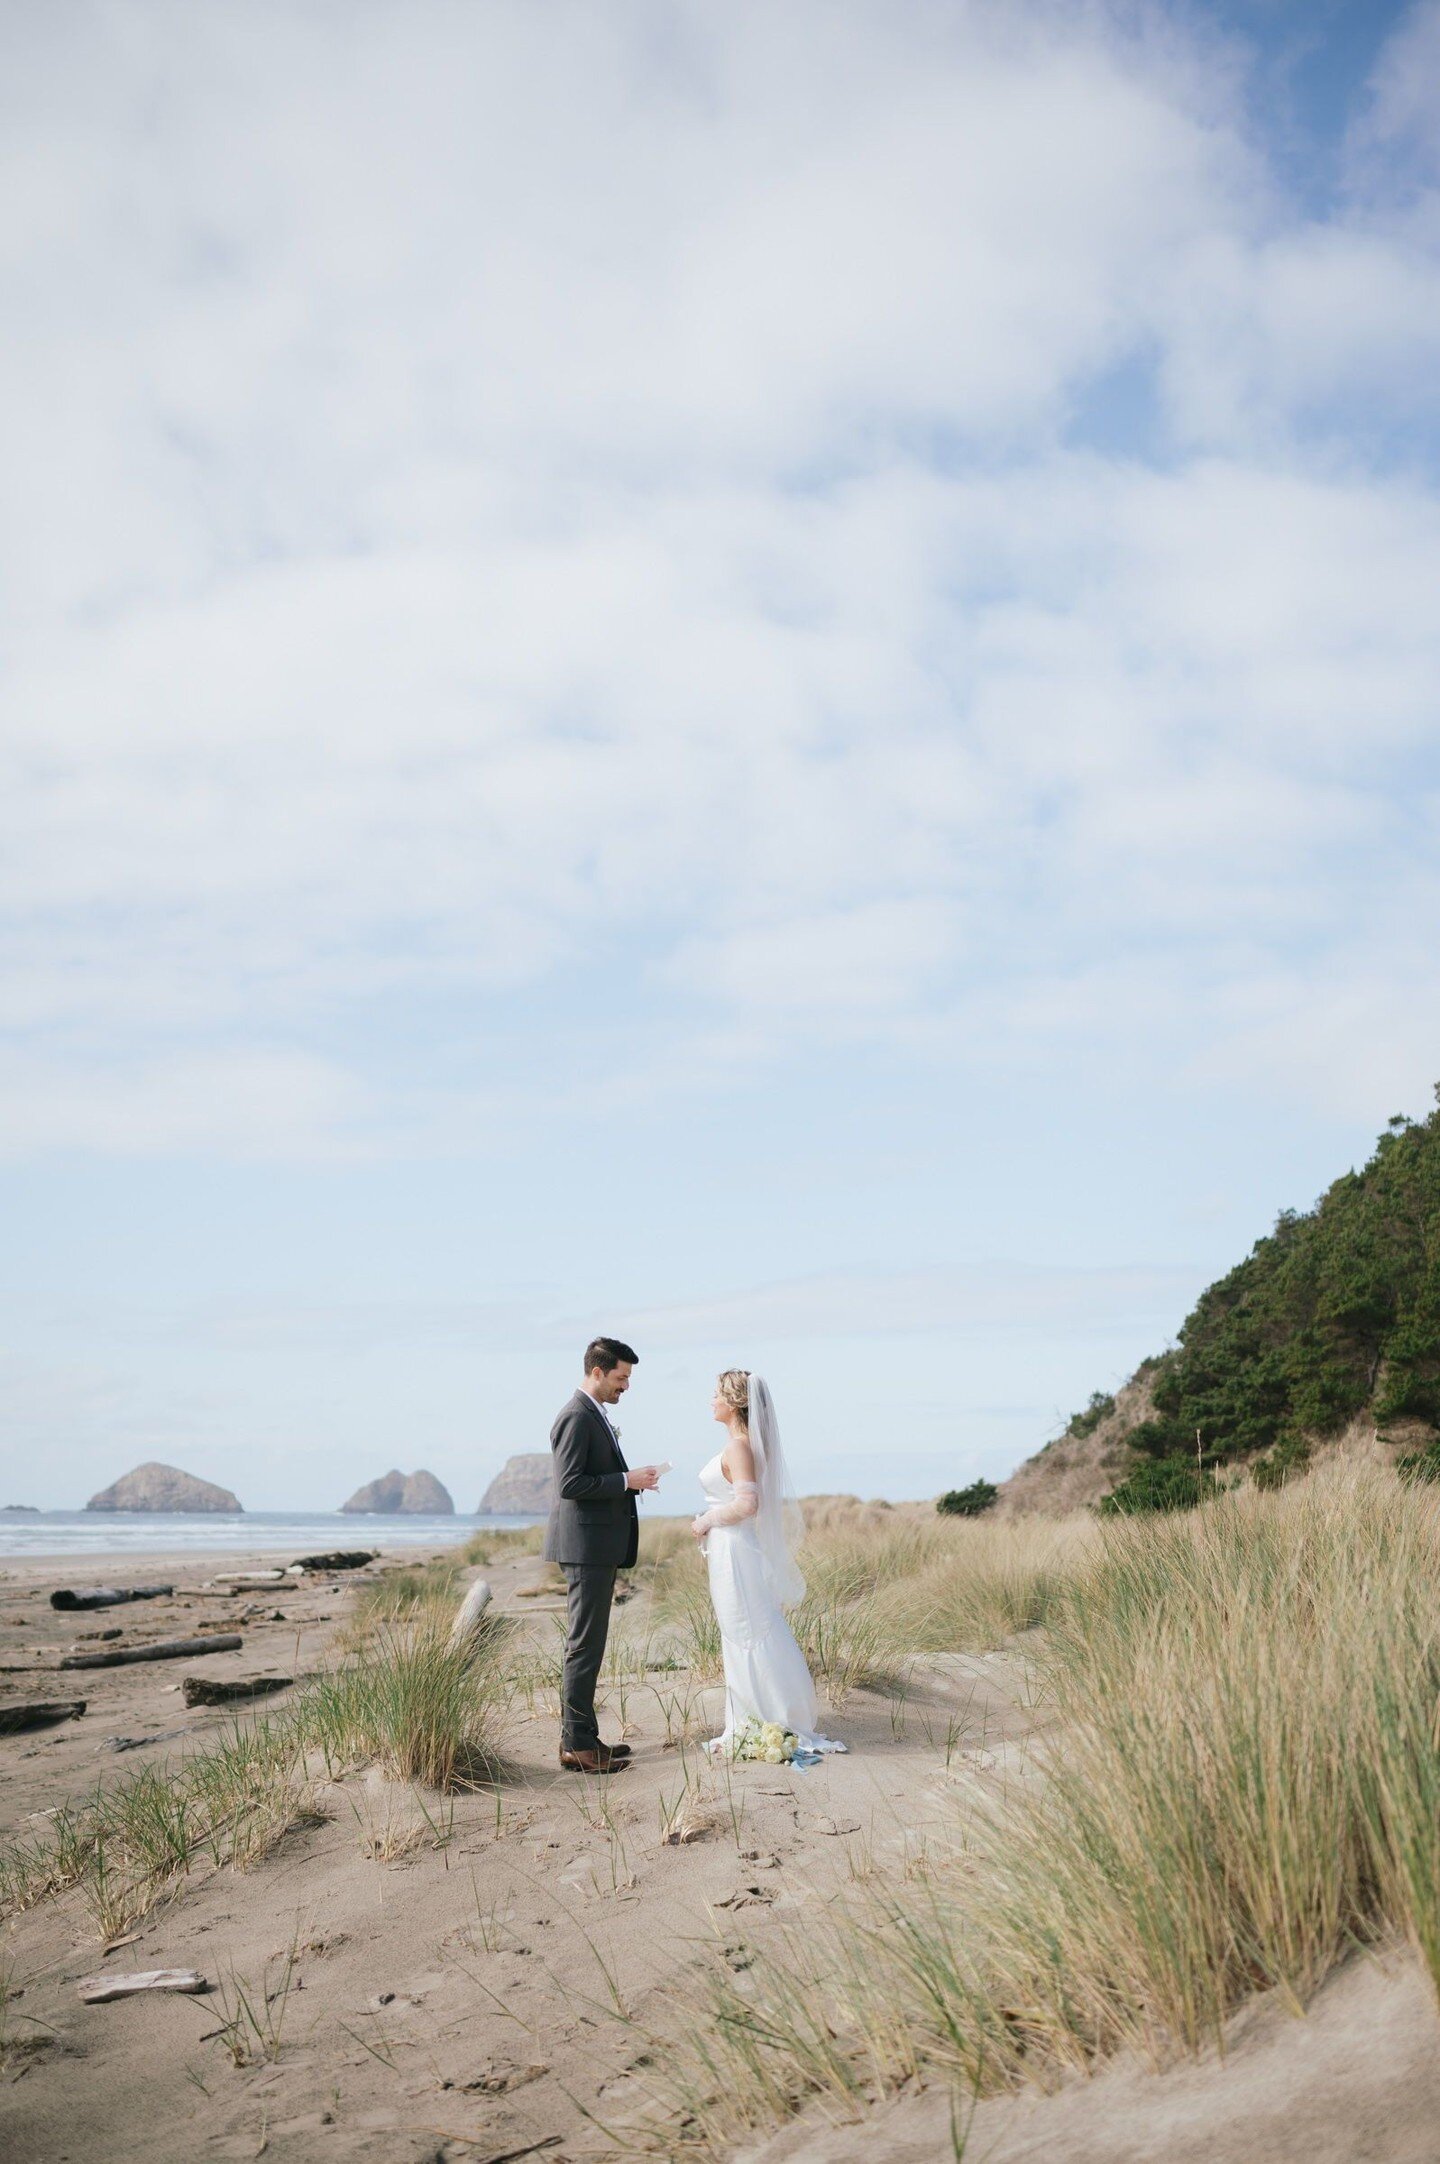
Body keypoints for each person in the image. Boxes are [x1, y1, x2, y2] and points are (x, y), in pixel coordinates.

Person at [692, 1369, 846, 1757]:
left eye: (716, 1394)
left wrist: (706, 1520)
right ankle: (750, 1716)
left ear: (734, 1402)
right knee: (740, 1628)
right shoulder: (739, 1444)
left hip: (735, 1550)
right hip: (729, 1549)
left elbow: (748, 1504)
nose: (711, 1400)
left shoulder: (739, 1447)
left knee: (748, 1629)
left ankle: (768, 1717)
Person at [542, 1337, 661, 1774]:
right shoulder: (575, 1416)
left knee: (590, 1645)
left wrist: (630, 1480)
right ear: (597, 1372)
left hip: (595, 1546)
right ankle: (576, 1744)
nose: (625, 1386)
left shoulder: (593, 1414)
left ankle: (584, 1738)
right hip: (585, 1548)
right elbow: (570, 1484)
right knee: (584, 1646)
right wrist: (625, 1481)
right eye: (621, 1377)